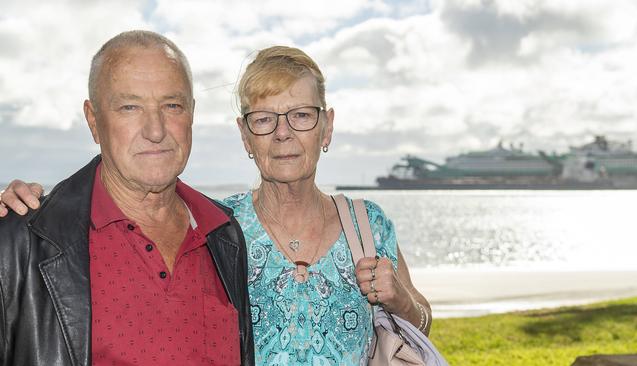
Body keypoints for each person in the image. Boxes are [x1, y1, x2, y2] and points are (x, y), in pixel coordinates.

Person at [1, 45, 431, 365]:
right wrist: (41, 208)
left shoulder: (367, 225)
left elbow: (420, 324)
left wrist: (401, 302)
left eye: (301, 115)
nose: (283, 134)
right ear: (245, 136)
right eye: (264, 119)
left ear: (327, 126)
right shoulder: (223, 228)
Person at [0, 31, 254, 365]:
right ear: (94, 120)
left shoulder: (224, 234)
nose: (155, 130)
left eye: (172, 105)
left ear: (191, 113)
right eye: (130, 107)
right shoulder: (19, 242)